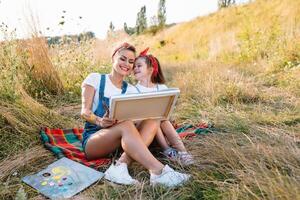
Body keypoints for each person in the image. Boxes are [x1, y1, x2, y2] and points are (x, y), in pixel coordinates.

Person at [81, 42, 190, 187]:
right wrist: (100, 121)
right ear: (114, 57)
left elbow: (137, 121)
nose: (126, 64)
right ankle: (158, 171)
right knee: (125, 125)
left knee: (152, 120)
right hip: (95, 141)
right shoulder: (95, 79)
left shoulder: (131, 90)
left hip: (121, 144)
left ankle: (120, 166)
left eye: (131, 61)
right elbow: (85, 112)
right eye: (122, 58)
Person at [133, 47, 194, 166]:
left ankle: (183, 153)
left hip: (162, 130)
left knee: (163, 120)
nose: (135, 68)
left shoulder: (161, 88)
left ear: (150, 69)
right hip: (144, 132)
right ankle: (167, 150)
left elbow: (167, 112)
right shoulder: (133, 90)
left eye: (139, 66)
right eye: (134, 66)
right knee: (154, 119)